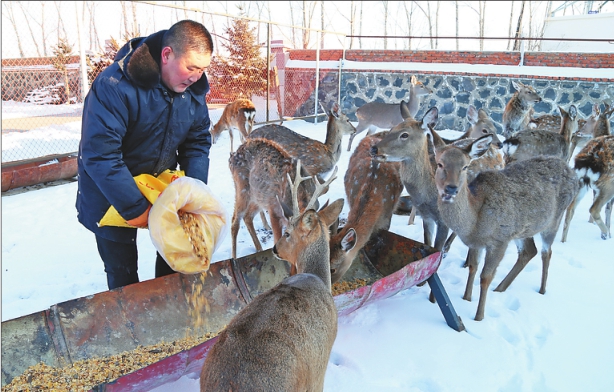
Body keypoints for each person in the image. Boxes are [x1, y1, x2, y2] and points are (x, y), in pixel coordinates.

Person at [76, 20, 214, 290]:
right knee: (123, 274)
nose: (197, 77)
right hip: (110, 194)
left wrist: (193, 192)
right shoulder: (114, 86)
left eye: (203, 69)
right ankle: (132, 323)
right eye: (191, 67)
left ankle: (166, 311)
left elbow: (197, 142)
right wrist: (135, 208)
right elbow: (101, 155)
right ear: (166, 55)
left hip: (159, 188)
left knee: (174, 262)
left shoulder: (193, 91)